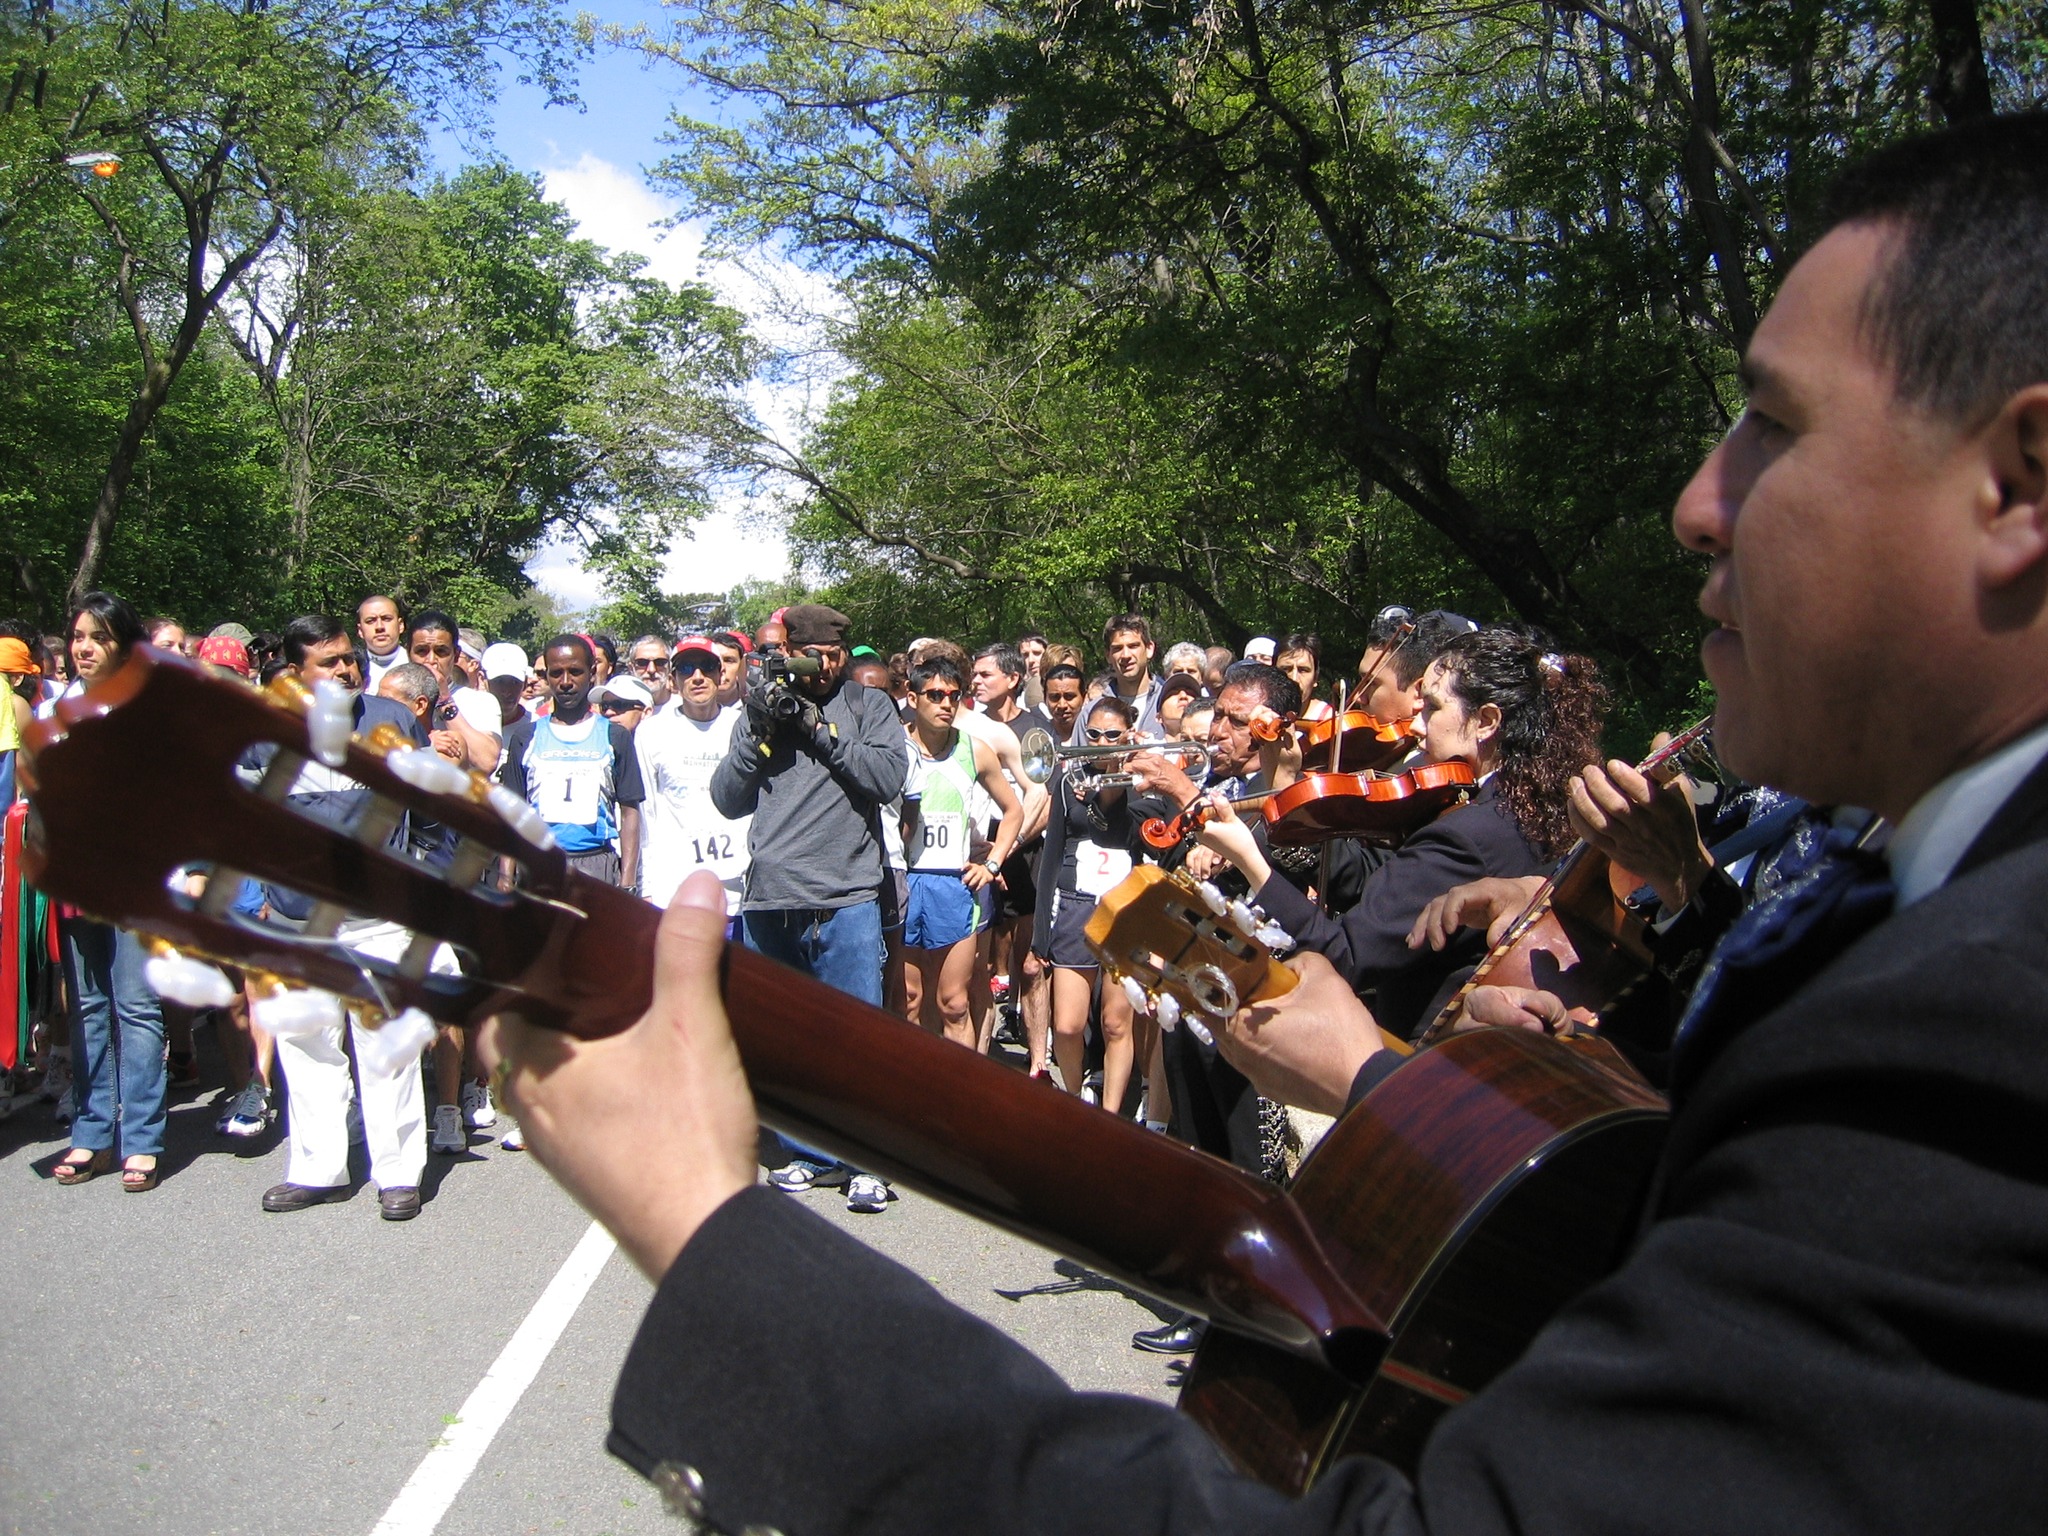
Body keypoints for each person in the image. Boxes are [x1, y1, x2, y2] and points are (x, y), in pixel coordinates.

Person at [477, 114, 2048, 1533]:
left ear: (2024, 479)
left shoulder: (1982, 1029)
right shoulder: (1916, 902)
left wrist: (706, 1224)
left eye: (1773, 426)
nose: (1700, 501)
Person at [1201, 628, 1605, 1040]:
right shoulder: (1528, 803)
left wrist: (1251, 862)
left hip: (1420, 1051)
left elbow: (1347, 955)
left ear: (1485, 721)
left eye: (1432, 707)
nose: (1416, 725)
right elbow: (1378, 880)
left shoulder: (1469, 834)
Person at [710, 604, 907, 1211]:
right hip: (773, 893)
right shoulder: (764, 706)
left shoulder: (868, 706)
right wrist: (763, 727)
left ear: (842, 656)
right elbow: (727, 798)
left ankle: (865, 1160)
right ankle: (807, 1152)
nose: (817, 668)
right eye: (806, 655)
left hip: (845, 893)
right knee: (787, 1037)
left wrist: (819, 729)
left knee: (853, 1037)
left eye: (828, 657)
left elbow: (885, 779)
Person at [247, 614, 440, 1219]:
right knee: (306, 1046)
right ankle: (317, 1168)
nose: (346, 669)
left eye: (348, 657)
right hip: (298, 922)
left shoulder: (395, 722)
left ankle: (398, 1174)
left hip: (380, 920)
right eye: (328, 662)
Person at [45, 593, 169, 1191]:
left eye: (97, 637)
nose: (84, 648)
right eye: (77, 637)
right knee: (88, 1005)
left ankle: (141, 1137)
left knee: (135, 1006)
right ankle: (92, 1130)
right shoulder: (60, 705)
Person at [899, 656, 1023, 1049]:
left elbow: (1014, 810)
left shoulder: (975, 750)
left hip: (954, 886)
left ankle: (959, 1099)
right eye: (935, 695)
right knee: (909, 1002)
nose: (946, 704)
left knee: (954, 1003)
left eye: (954, 696)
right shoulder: (893, 747)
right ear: (912, 697)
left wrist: (992, 862)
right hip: (904, 883)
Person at [1030, 695, 1146, 1104]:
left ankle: (1111, 1113)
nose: (1101, 742)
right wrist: (1039, 933)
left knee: (1117, 1023)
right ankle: (1075, 1096)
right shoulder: (1068, 780)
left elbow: (1129, 833)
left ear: (1128, 734)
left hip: (1123, 909)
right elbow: (1051, 854)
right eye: (1093, 734)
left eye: (1112, 735)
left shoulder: (1142, 780)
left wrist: (1112, 783)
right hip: (1074, 904)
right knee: (1067, 1025)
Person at [499, 635, 644, 891]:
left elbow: (630, 811)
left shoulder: (615, 736)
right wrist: (505, 875)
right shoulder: (526, 737)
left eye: (575, 672)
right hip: (538, 866)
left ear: (591, 673)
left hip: (596, 864)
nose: (566, 682)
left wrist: (628, 881)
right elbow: (512, 811)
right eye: (556, 673)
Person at [636, 638, 751, 913]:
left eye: (707, 667)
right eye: (686, 668)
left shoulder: (743, 726)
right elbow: (645, 813)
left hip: (737, 890)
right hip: (675, 889)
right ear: (673, 679)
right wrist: (647, 886)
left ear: (720, 674)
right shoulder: (651, 732)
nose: (697, 677)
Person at [356, 595, 407, 689]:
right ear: (360, 630)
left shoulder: (415, 662)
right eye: (370, 621)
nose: (379, 627)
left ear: (400, 625)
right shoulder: (353, 669)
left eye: (386, 619)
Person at [625, 635, 672, 713]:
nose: (651, 670)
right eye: (642, 663)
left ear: (669, 667)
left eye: (660, 662)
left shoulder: (686, 710)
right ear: (631, 668)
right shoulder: (619, 709)